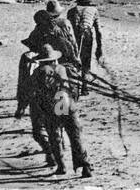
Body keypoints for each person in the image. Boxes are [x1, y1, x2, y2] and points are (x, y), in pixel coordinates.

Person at [29, 44, 93, 177]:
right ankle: (85, 166)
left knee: (55, 136)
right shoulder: (62, 69)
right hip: (68, 103)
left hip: (53, 106)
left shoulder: (39, 72)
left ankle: (61, 166)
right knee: (75, 137)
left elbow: (36, 92)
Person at [14, 47, 53, 162]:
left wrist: (21, 107)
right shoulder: (58, 65)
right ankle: (58, 154)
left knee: (38, 131)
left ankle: (50, 151)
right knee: (54, 129)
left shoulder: (27, 59)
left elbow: (24, 84)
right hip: (57, 101)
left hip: (38, 102)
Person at [65, 0, 103, 94]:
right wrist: (99, 48)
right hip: (86, 34)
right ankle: (84, 87)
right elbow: (98, 31)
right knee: (86, 60)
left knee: (74, 58)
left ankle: (72, 85)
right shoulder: (93, 10)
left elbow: (68, 26)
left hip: (72, 34)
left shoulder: (71, 11)